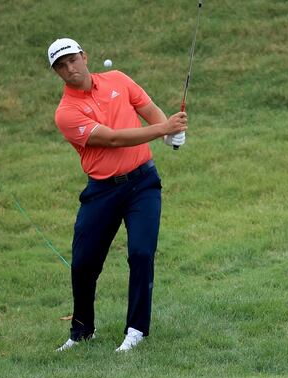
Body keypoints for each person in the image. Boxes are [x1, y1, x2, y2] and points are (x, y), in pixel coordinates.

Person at [47, 38, 187, 352]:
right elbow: (111, 139)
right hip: (102, 191)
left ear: (84, 56)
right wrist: (162, 129)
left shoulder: (118, 80)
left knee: (140, 253)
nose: (70, 68)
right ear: (57, 72)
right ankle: (82, 332)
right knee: (83, 263)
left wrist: (169, 132)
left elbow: (149, 110)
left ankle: (136, 330)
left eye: (72, 60)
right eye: (61, 66)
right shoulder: (66, 113)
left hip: (143, 184)